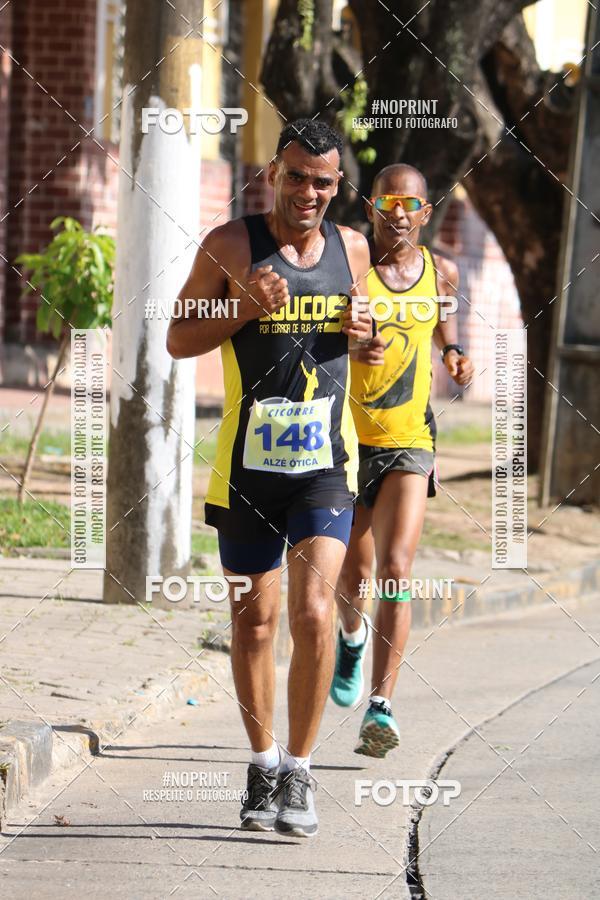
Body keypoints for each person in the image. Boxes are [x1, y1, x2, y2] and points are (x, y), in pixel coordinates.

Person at [167, 119, 372, 837]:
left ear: (336, 186)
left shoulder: (354, 248)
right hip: (247, 469)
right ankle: (261, 762)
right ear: (273, 176)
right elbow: (178, 334)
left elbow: (365, 342)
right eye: (296, 177)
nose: (308, 192)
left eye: (322, 181)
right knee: (254, 622)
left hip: (325, 467)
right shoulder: (230, 245)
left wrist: (367, 339)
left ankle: (301, 770)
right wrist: (244, 308)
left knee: (313, 613)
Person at [329, 164, 475, 757]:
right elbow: (330, 332)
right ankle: (351, 635)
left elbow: (444, 326)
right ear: (371, 207)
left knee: (394, 568)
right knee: (354, 577)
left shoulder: (444, 273)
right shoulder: (354, 271)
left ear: (425, 211)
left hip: (410, 439)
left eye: (410, 203)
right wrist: (352, 341)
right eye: (388, 201)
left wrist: (456, 353)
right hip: (347, 438)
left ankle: (381, 706)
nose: (399, 212)